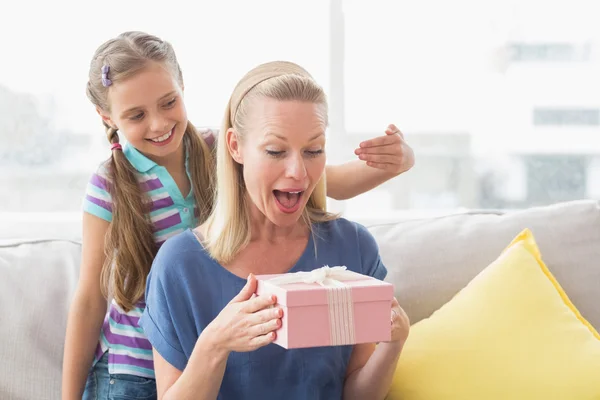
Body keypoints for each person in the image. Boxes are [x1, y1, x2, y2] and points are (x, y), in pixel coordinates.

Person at [62, 32, 414, 400]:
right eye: (136, 115)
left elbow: (323, 180)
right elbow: (90, 299)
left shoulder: (217, 151)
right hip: (131, 366)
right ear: (108, 118)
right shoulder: (113, 188)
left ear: (183, 87)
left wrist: (398, 164)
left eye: (168, 102)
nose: (158, 124)